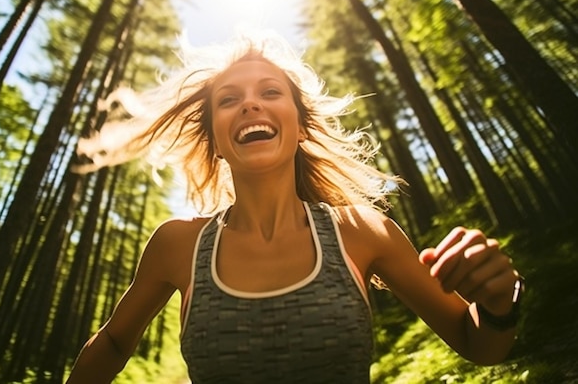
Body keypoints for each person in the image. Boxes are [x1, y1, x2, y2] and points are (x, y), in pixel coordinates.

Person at [66, 29, 523, 383]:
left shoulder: (362, 231)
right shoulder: (178, 245)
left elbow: (477, 343)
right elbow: (111, 343)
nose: (249, 105)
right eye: (229, 100)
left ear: (300, 126)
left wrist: (501, 303)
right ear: (217, 143)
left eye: (269, 92)